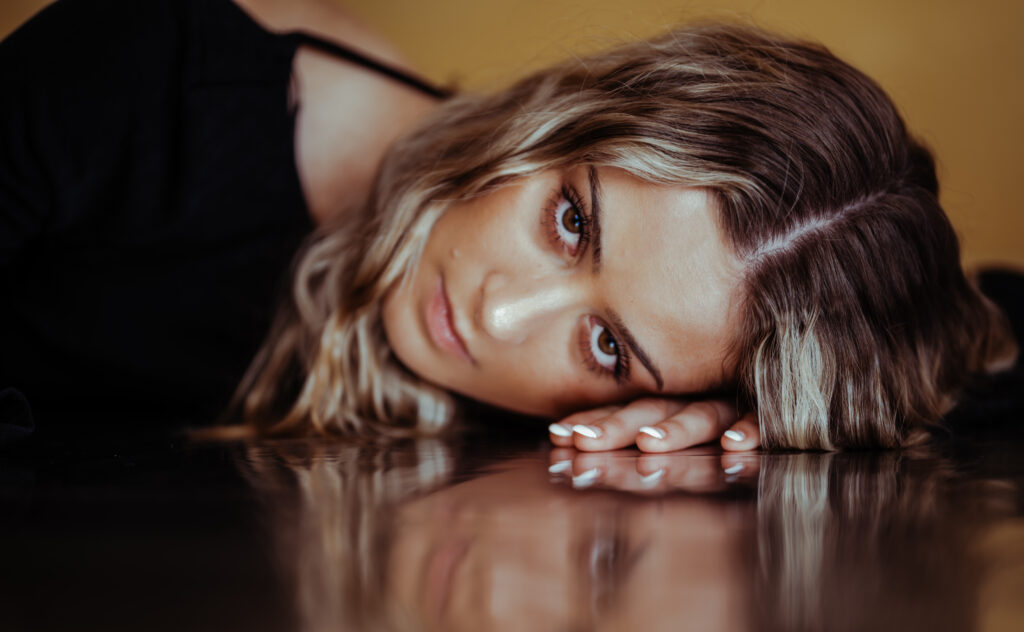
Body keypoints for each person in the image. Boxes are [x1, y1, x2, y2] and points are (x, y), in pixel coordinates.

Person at [1, 0, 1016, 450]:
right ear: (562, 118)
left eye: (610, 344)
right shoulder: (157, 75)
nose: (498, 314)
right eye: (572, 222)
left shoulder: (638, 416)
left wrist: (741, 430)